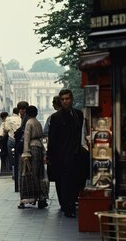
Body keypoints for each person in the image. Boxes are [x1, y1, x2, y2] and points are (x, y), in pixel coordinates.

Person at [47, 89, 85, 218]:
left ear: (72, 99)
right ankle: (67, 207)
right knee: (65, 181)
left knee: (75, 181)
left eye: (67, 99)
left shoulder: (78, 114)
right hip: (62, 155)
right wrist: (51, 157)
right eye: (62, 99)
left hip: (76, 154)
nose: (65, 101)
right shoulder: (56, 117)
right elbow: (52, 138)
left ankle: (69, 204)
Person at [18, 105, 48, 209]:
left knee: (31, 173)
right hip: (39, 147)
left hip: (31, 148)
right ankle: (41, 197)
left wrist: (26, 153)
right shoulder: (38, 122)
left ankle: (30, 197)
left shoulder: (28, 123)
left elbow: (26, 138)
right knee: (40, 174)